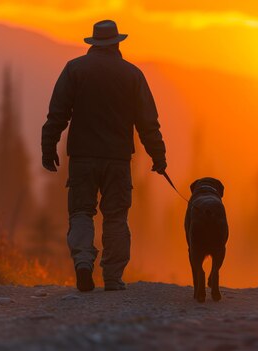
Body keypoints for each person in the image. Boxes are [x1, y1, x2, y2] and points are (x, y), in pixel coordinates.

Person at [41, 20, 167, 292]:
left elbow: (57, 114)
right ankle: (112, 276)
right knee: (116, 217)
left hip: (83, 158)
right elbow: (148, 122)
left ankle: (83, 263)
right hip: (118, 160)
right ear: (117, 43)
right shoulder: (132, 74)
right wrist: (158, 156)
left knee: (81, 212)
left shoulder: (74, 69)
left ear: (93, 43)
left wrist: (48, 147)